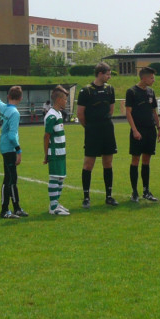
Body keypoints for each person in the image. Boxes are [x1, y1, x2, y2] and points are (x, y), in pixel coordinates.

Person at [77, 62, 117, 208]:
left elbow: (111, 109)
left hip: (107, 128)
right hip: (92, 129)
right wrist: (89, 127)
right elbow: (80, 113)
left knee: (108, 162)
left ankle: (109, 196)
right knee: (89, 163)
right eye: (108, 74)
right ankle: (86, 197)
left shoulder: (110, 89)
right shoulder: (86, 91)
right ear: (100, 73)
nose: (109, 76)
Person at [0, 80, 27, 218]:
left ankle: (16, 208)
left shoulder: (4, 107)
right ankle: (5, 210)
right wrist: (19, 150)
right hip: (9, 148)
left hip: (3, 146)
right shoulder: (15, 113)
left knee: (12, 178)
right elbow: (12, 135)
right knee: (9, 179)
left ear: (8, 96)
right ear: (21, 98)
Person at [125, 66, 160, 202]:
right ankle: (134, 191)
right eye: (151, 78)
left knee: (147, 160)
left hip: (150, 130)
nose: (153, 80)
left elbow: (154, 111)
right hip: (138, 130)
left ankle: (146, 190)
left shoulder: (151, 92)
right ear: (144, 78)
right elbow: (128, 112)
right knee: (135, 160)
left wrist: (159, 128)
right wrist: (134, 130)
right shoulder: (132, 92)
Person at [43, 85, 71, 215]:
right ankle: (53, 207)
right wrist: (46, 154)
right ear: (59, 99)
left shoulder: (58, 113)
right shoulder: (51, 116)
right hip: (54, 152)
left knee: (61, 178)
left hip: (61, 152)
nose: (66, 101)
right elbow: (46, 136)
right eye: (65, 99)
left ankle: (56, 203)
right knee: (54, 178)